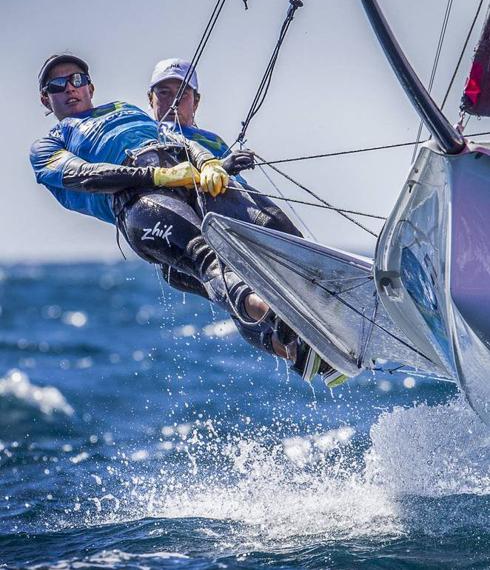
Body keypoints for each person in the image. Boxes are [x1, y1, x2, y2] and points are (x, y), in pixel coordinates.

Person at [31, 53, 340, 382]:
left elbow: (176, 140)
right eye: (57, 85)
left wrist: (208, 163)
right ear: (45, 98)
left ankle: (334, 318)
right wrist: (157, 176)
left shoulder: (125, 109)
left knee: (274, 230)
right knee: (210, 263)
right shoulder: (49, 144)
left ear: (90, 86)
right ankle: (283, 325)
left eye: (77, 79)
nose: (69, 88)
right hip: (140, 200)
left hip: (188, 178)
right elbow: (86, 175)